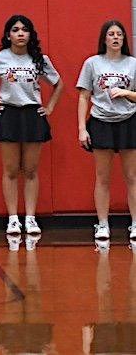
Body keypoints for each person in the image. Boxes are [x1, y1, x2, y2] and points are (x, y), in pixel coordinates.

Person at [0, 15, 63, 236]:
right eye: (15, 30)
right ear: (8, 35)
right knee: (11, 170)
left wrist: (49, 107)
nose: (20, 34)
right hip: (9, 115)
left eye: (24, 30)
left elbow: (58, 84)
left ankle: (30, 218)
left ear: (31, 34)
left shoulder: (40, 59)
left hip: (32, 115)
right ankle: (13, 219)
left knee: (31, 170)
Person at [77, 19, 136, 241]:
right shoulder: (92, 63)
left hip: (128, 121)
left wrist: (126, 93)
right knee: (102, 176)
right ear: (104, 38)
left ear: (124, 38)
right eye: (111, 34)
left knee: (132, 176)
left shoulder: (132, 64)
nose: (115, 37)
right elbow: (83, 96)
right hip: (101, 121)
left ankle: (135, 223)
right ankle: (102, 224)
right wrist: (82, 128)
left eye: (119, 34)